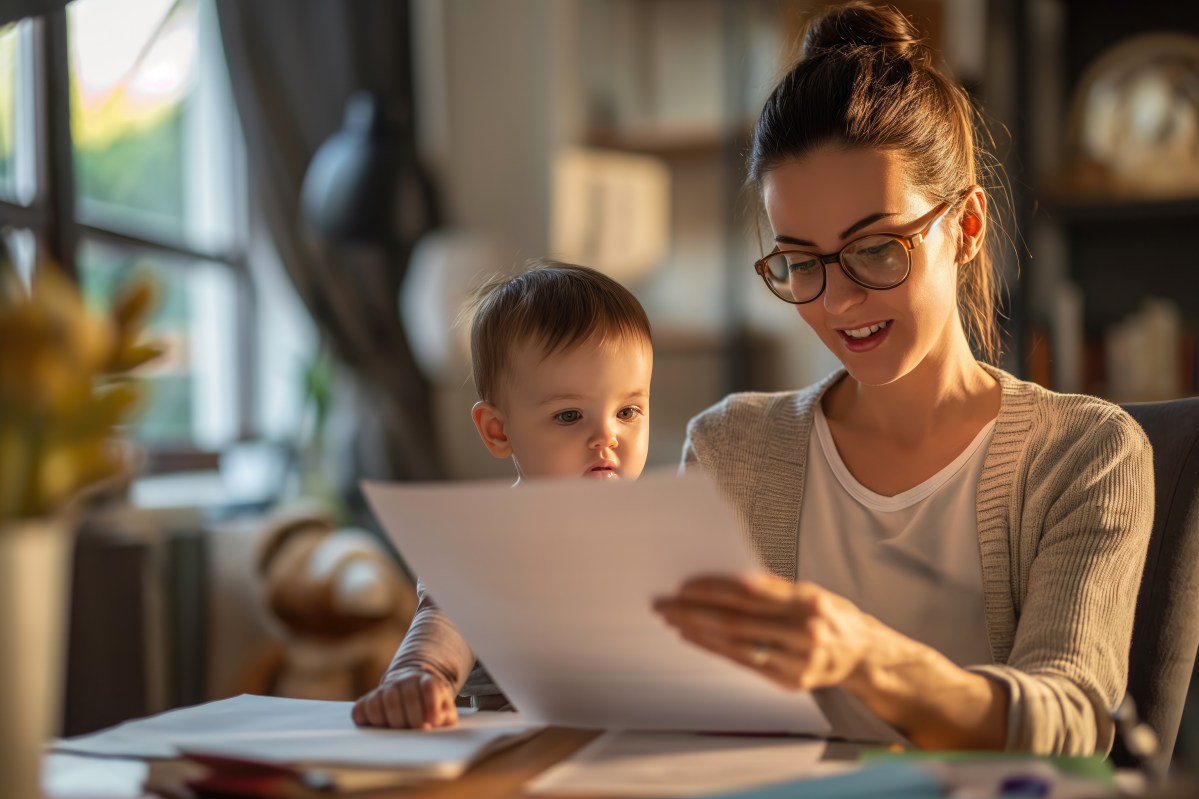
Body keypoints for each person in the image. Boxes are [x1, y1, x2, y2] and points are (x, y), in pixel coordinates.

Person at [653, 2, 1153, 755]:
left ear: (967, 228)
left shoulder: (1087, 453)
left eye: (877, 248)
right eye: (800, 261)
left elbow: (1069, 722)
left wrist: (867, 656)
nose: (838, 300)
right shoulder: (730, 448)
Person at [352, 259, 653, 729]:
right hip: (523, 753)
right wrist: (421, 674)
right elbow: (448, 620)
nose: (606, 436)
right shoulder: (488, 540)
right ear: (498, 430)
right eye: (570, 416)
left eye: (628, 411)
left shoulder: (661, 529)